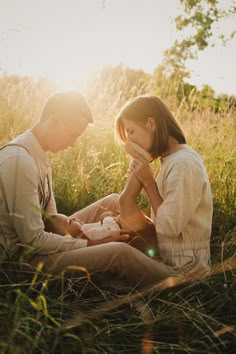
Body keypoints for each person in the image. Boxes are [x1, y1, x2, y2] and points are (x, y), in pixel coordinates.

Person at [0, 90, 172, 290]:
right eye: (73, 134)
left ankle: (155, 254)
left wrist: (79, 229)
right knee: (117, 252)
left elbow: (51, 219)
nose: (73, 143)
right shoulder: (20, 162)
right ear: (55, 121)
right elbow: (34, 241)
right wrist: (91, 244)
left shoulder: (39, 157)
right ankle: (181, 282)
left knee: (114, 202)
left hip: (38, 245)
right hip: (22, 264)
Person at [116, 95, 213, 279]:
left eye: (132, 131)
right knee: (112, 202)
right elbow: (125, 198)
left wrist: (149, 183)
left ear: (151, 124)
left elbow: (168, 227)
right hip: (166, 255)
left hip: (183, 270)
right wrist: (141, 161)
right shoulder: (168, 159)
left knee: (117, 252)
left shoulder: (183, 165)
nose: (129, 142)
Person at [43, 142, 157, 255]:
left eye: (70, 218)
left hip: (124, 227)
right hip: (127, 234)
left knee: (122, 198)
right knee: (125, 199)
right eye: (69, 222)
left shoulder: (83, 230)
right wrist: (106, 217)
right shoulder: (85, 234)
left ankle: (139, 161)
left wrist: (106, 218)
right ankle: (141, 160)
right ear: (68, 237)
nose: (73, 219)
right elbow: (108, 231)